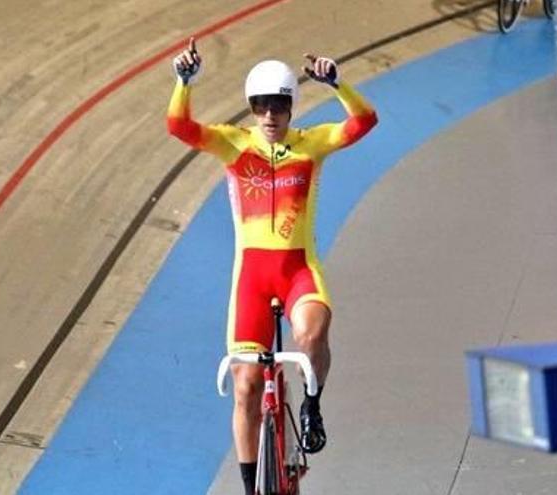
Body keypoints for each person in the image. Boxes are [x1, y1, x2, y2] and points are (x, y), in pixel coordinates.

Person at [167, 37, 377, 495]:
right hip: (252, 282)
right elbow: (179, 126)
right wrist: (184, 81)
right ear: (251, 107)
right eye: (260, 106)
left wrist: (337, 84)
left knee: (312, 335)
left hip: (299, 272)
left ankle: (313, 405)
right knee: (244, 387)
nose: (269, 115)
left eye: (278, 106)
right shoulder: (233, 145)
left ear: (291, 107)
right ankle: (249, 487)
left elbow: (364, 121)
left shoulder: (311, 144)